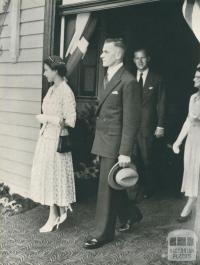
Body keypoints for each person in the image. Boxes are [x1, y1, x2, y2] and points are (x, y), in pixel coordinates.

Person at [84, 38, 142, 249]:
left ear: (118, 55)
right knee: (112, 185)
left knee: (106, 189)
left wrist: (125, 152)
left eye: (106, 51)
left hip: (116, 143)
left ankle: (103, 234)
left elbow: (131, 120)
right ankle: (131, 214)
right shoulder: (108, 76)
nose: (101, 55)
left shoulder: (128, 81)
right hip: (104, 139)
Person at [30, 55, 76, 232]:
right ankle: (54, 213)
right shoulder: (51, 89)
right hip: (46, 138)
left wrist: (47, 118)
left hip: (57, 141)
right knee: (48, 177)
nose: (44, 73)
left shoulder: (65, 90)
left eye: (46, 70)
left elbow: (71, 121)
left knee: (53, 177)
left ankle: (55, 216)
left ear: (56, 71)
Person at [133, 48, 166, 198]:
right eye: (137, 58)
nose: (140, 61)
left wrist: (160, 125)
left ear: (148, 59)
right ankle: (134, 189)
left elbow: (161, 103)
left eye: (143, 58)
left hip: (148, 126)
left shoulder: (157, 79)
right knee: (132, 158)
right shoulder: (129, 78)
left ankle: (149, 189)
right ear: (133, 60)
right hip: (131, 126)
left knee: (147, 159)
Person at [173, 64, 200, 222]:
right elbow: (188, 121)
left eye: (198, 78)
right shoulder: (193, 98)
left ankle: (191, 203)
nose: (194, 79)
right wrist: (178, 141)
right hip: (193, 139)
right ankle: (191, 199)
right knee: (191, 169)